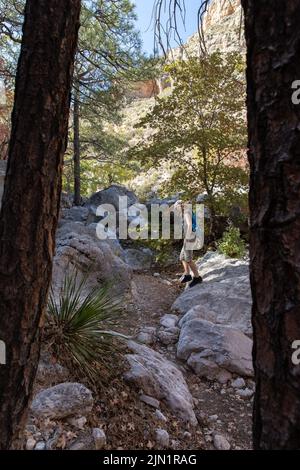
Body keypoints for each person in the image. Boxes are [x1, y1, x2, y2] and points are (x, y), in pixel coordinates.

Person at [174, 200, 203, 288]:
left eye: (176, 208)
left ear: (180, 206)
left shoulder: (186, 212)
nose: (176, 210)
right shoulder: (186, 211)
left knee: (188, 259)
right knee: (182, 257)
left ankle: (197, 278)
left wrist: (187, 237)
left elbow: (190, 225)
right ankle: (187, 274)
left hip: (190, 237)